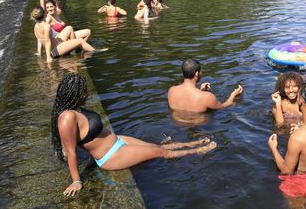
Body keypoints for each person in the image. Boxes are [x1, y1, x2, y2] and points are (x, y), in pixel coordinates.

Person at [52, 73, 217, 196]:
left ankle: (191, 144)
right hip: (110, 156)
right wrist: (76, 181)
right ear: (73, 94)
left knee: (159, 146)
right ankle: (197, 150)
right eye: (83, 92)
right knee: (162, 153)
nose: (86, 94)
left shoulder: (76, 108)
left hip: (118, 141)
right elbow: (71, 151)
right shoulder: (67, 117)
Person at [167, 59, 243, 113]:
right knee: (234, 105)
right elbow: (224, 107)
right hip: (201, 131)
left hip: (178, 128)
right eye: (200, 71)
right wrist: (233, 95)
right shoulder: (207, 97)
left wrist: (201, 91)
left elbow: (187, 104)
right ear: (196, 74)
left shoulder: (171, 91)